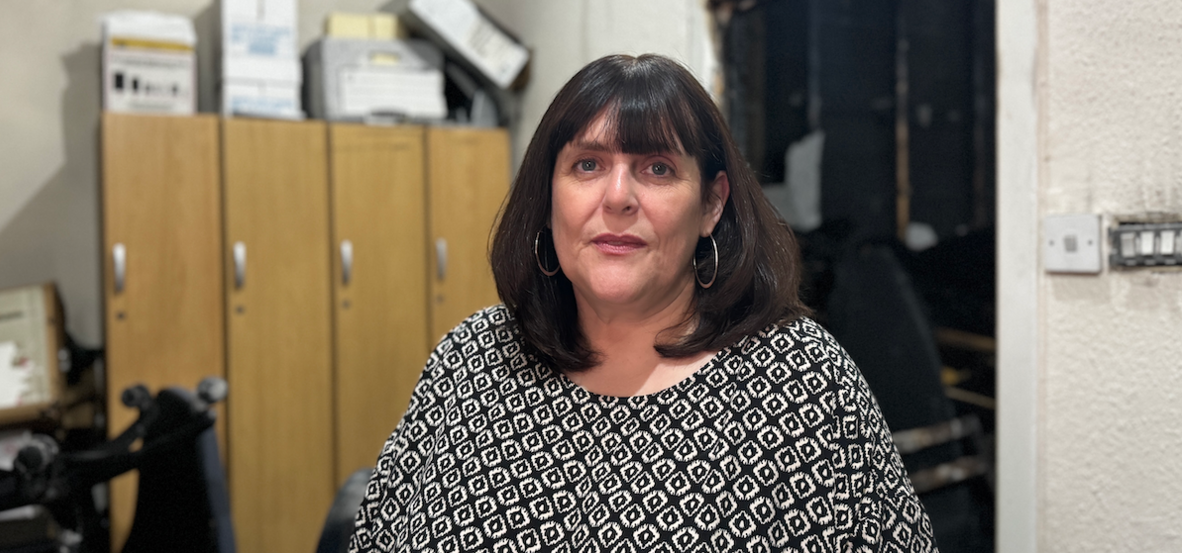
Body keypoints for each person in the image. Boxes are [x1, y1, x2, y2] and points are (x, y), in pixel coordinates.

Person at [348, 54, 937, 552]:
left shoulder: (801, 380)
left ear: (711, 204)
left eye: (657, 168)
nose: (618, 197)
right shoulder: (472, 360)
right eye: (588, 165)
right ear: (548, 196)